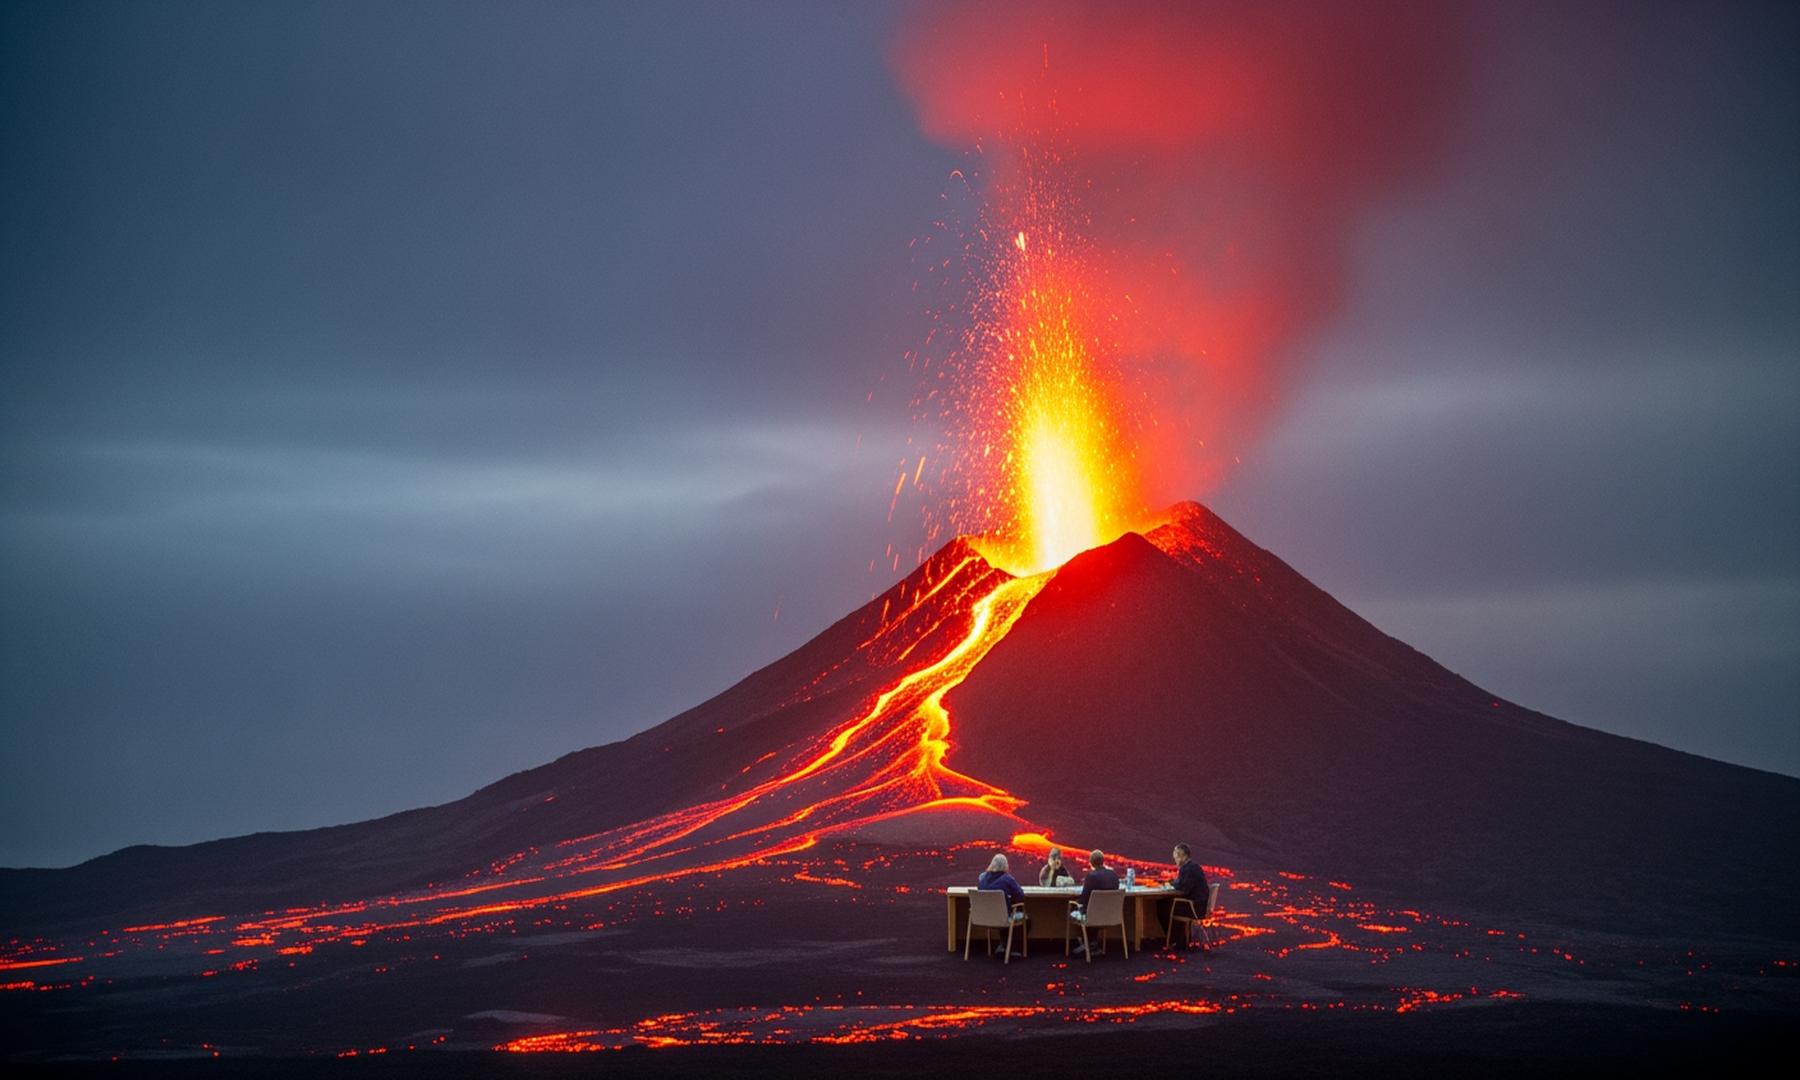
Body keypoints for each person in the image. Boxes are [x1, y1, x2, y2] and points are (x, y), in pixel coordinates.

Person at [1159, 842, 1211, 948]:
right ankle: (1178, 939)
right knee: (1167, 904)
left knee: (1162, 906)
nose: (1176, 858)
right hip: (1199, 905)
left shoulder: (1188, 869)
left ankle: (1174, 940)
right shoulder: (1192, 867)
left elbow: (1184, 889)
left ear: (1185, 856)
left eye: (1178, 855)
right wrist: (1174, 883)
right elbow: (1182, 884)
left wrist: (1172, 884)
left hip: (1194, 907)